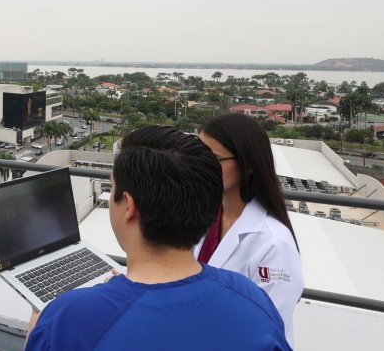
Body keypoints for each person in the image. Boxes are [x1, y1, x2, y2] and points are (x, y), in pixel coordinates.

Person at [25, 126, 290, 350]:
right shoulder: (253, 300)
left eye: (113, 187)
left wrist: (39, 326)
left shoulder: (67, 320)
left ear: (128, 205)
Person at [196, 113, 304, 344]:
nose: (201, 166)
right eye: (197, 155)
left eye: (213, 158)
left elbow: (265, 328)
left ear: (250, 164)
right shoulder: (202, 216)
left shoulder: (275, 244)